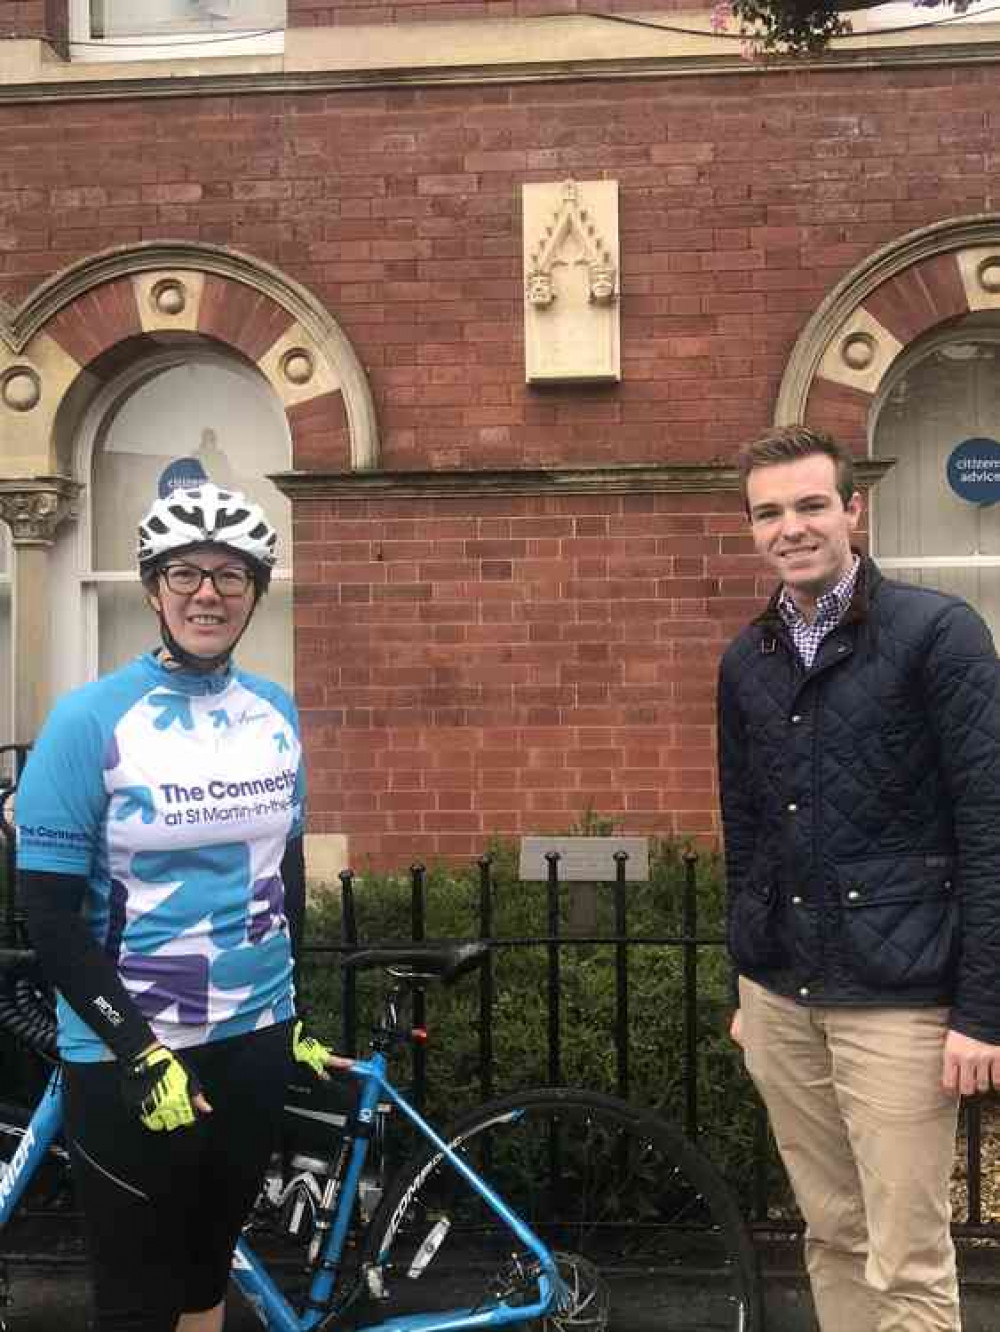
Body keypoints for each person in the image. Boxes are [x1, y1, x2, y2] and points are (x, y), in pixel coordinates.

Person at [15, 476, 334, 1332]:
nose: (208, 593)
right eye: (186, 572)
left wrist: (289, 1008)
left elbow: (284, 868)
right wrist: (136, 1048)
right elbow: (46, 914)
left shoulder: (275, 713)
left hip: (253, 1037)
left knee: (204, 1282)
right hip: (134, 1054)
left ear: (254, 594)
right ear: (154, 589)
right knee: (134, 1299)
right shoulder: (90, 723)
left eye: (231, 576)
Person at [717, 425, 1000, 1332]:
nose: (790, 528)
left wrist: (983, 1011)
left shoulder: (937, 633)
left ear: (852, 508)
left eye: (808, 505)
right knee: (831, 1232)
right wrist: (745, 975)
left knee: (907, 1255)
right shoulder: (746, 660)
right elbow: (747, 828)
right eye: (769, 512)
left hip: (901, 1000)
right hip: (783, 997)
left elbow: (988, 822)